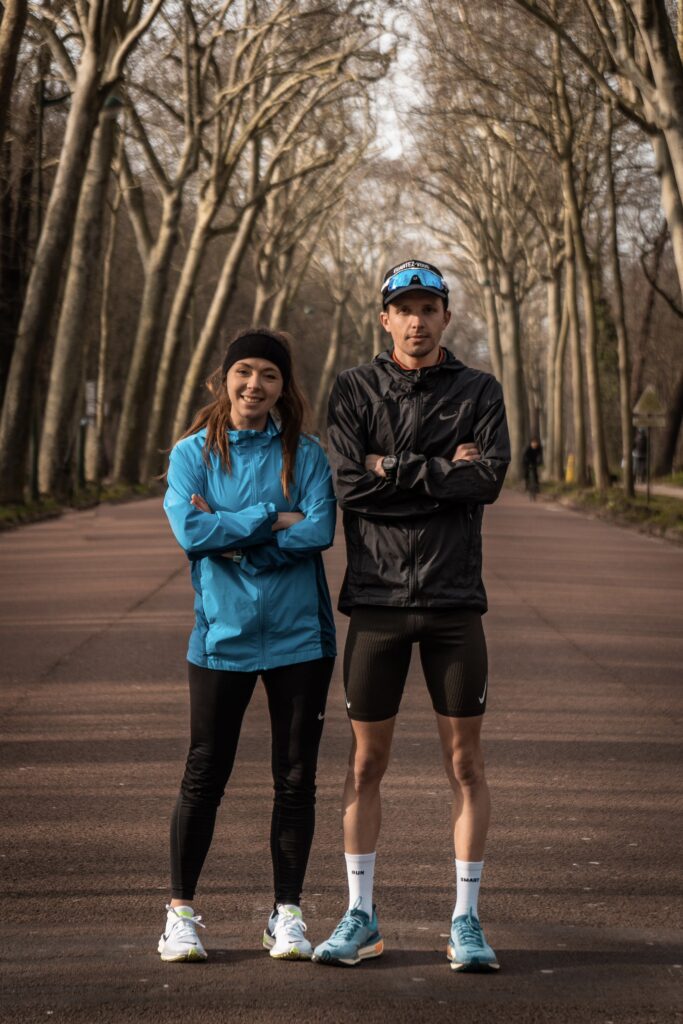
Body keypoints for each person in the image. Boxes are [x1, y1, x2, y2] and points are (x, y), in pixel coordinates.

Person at [312, 260, 510, 972]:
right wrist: (437, 471)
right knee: (366, 763)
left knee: (465, 763)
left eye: (429, 308)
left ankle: (466, 921)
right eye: (405, 308)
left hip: (455, 604)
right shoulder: (354, 388)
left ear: (445, 319)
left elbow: (485, 479)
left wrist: (391, 467)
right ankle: (359, 915)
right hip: (377, 602)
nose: (417, 320)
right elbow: (347, 490)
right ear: (384, 319)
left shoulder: (479, 389)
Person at [159, 327, 337, 963]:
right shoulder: (190, 454)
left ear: (283, 387)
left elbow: (318, 530)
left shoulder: (307, 454)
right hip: (220, 639)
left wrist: (229, 532)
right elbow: (189, 529)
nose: (254, 385)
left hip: (300, 640)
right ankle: (180, 915)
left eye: (268, 374)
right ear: (224, 379)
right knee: (205, 774)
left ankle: (286, 913)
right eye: (244, 372)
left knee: (295, 780)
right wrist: (270, 517)